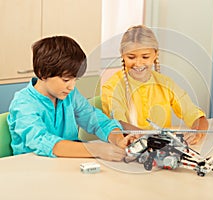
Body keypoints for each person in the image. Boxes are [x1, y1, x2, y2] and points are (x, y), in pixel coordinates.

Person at [7, 36, 138, 161]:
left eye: (75, 79)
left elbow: (96, 120)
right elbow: (42, 141)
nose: (71, 86)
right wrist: (94, 150)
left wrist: (119, 139)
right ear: (42, 73)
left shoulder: (70, 94)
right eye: (66, 80)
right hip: (33, 168)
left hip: (67, 164)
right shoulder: (23, 103)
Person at [101, 25, 209, 145]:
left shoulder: (166, 83)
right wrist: (152, 138)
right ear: (122, 54)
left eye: (145, 57)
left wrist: (197, 132)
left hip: (162, 151)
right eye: (131, 57)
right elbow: (119, 123)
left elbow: (197, 117)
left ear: (155, 54)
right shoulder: (112, 87)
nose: (138, 63)